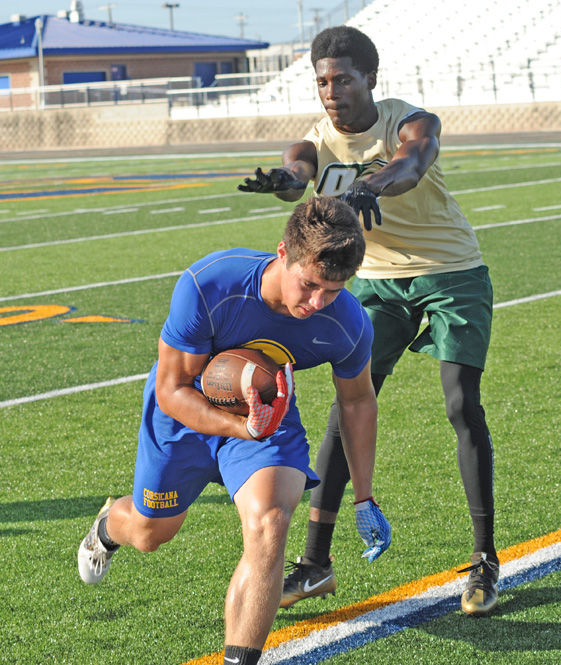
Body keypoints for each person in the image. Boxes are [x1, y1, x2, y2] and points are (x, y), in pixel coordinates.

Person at [238, 25, 500, 617]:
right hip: (377, 287)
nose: (332, 91)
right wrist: (285, 183)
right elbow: (298, 168)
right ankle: (314, 564)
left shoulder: (410, 121)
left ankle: (485, 560)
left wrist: (371, 183)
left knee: (462, 405)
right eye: (323, 81)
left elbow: (410, 163)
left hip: (452, 274)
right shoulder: (317, 140)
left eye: (344, 79)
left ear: (370, 80)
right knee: (346, 404)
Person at [76, 196, 391, 665]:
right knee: (150, 533)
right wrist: (240, 427)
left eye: (333, 290)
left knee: (270, 525)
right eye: (308, 285)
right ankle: (108, 526)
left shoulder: (346, 322)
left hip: (267, 413)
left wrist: (364, 496)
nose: (316, 303)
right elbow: (171, 390)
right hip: (186, 411)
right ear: (282, 253)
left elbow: (358, 400)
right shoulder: (211, 283)